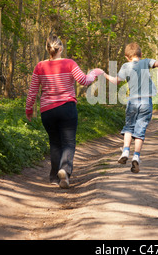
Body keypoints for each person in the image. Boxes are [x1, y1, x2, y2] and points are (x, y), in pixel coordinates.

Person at [26, 34, 103, 189]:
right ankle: (65, 171)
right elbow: (84, 80)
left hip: (47, 111)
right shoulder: (69, 63)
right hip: (67, 108)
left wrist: (29, 109)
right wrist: (95, 73)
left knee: (55, 142)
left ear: (48, 49)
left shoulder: (39, 66)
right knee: (68, 142)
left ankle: (54, 176)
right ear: (60, 48)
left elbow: (33, 90)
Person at [104, 42, 158, 173]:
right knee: (140, 130)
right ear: (141, 54)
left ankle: (125, 151)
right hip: (146, 102)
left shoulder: (125, 66)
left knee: (129, 127)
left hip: (132, 101)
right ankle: (136, 156)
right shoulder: (146, 62)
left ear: (126, 56)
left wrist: (103, 74)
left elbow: (115, 81)